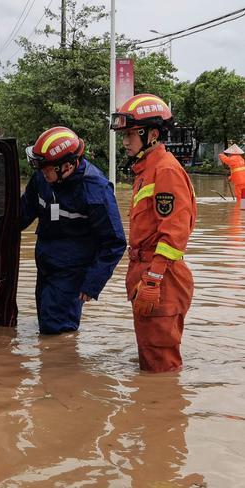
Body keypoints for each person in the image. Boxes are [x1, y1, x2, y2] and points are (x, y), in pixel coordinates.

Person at [111, 93, 197, 373]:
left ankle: (162, 412)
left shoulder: (165, 171)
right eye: (124, 134)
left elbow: (174, 234)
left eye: (131, 134)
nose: (125, 141)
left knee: (161, 367)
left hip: (161, 278)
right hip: (148, 273)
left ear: (153, 134)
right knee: (150, 358)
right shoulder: (146, 171)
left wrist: (153, 279)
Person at [20, 126, 126, 335]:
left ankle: (63, 364)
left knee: (56, 331)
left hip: (72, 270)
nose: (41, 172)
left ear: (66, 167)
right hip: (46, 262)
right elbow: (22, 213)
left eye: (45, 168)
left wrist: (92, 283)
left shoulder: (95, 190)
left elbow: (114, 242)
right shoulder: (43, 177)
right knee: (45, 320)